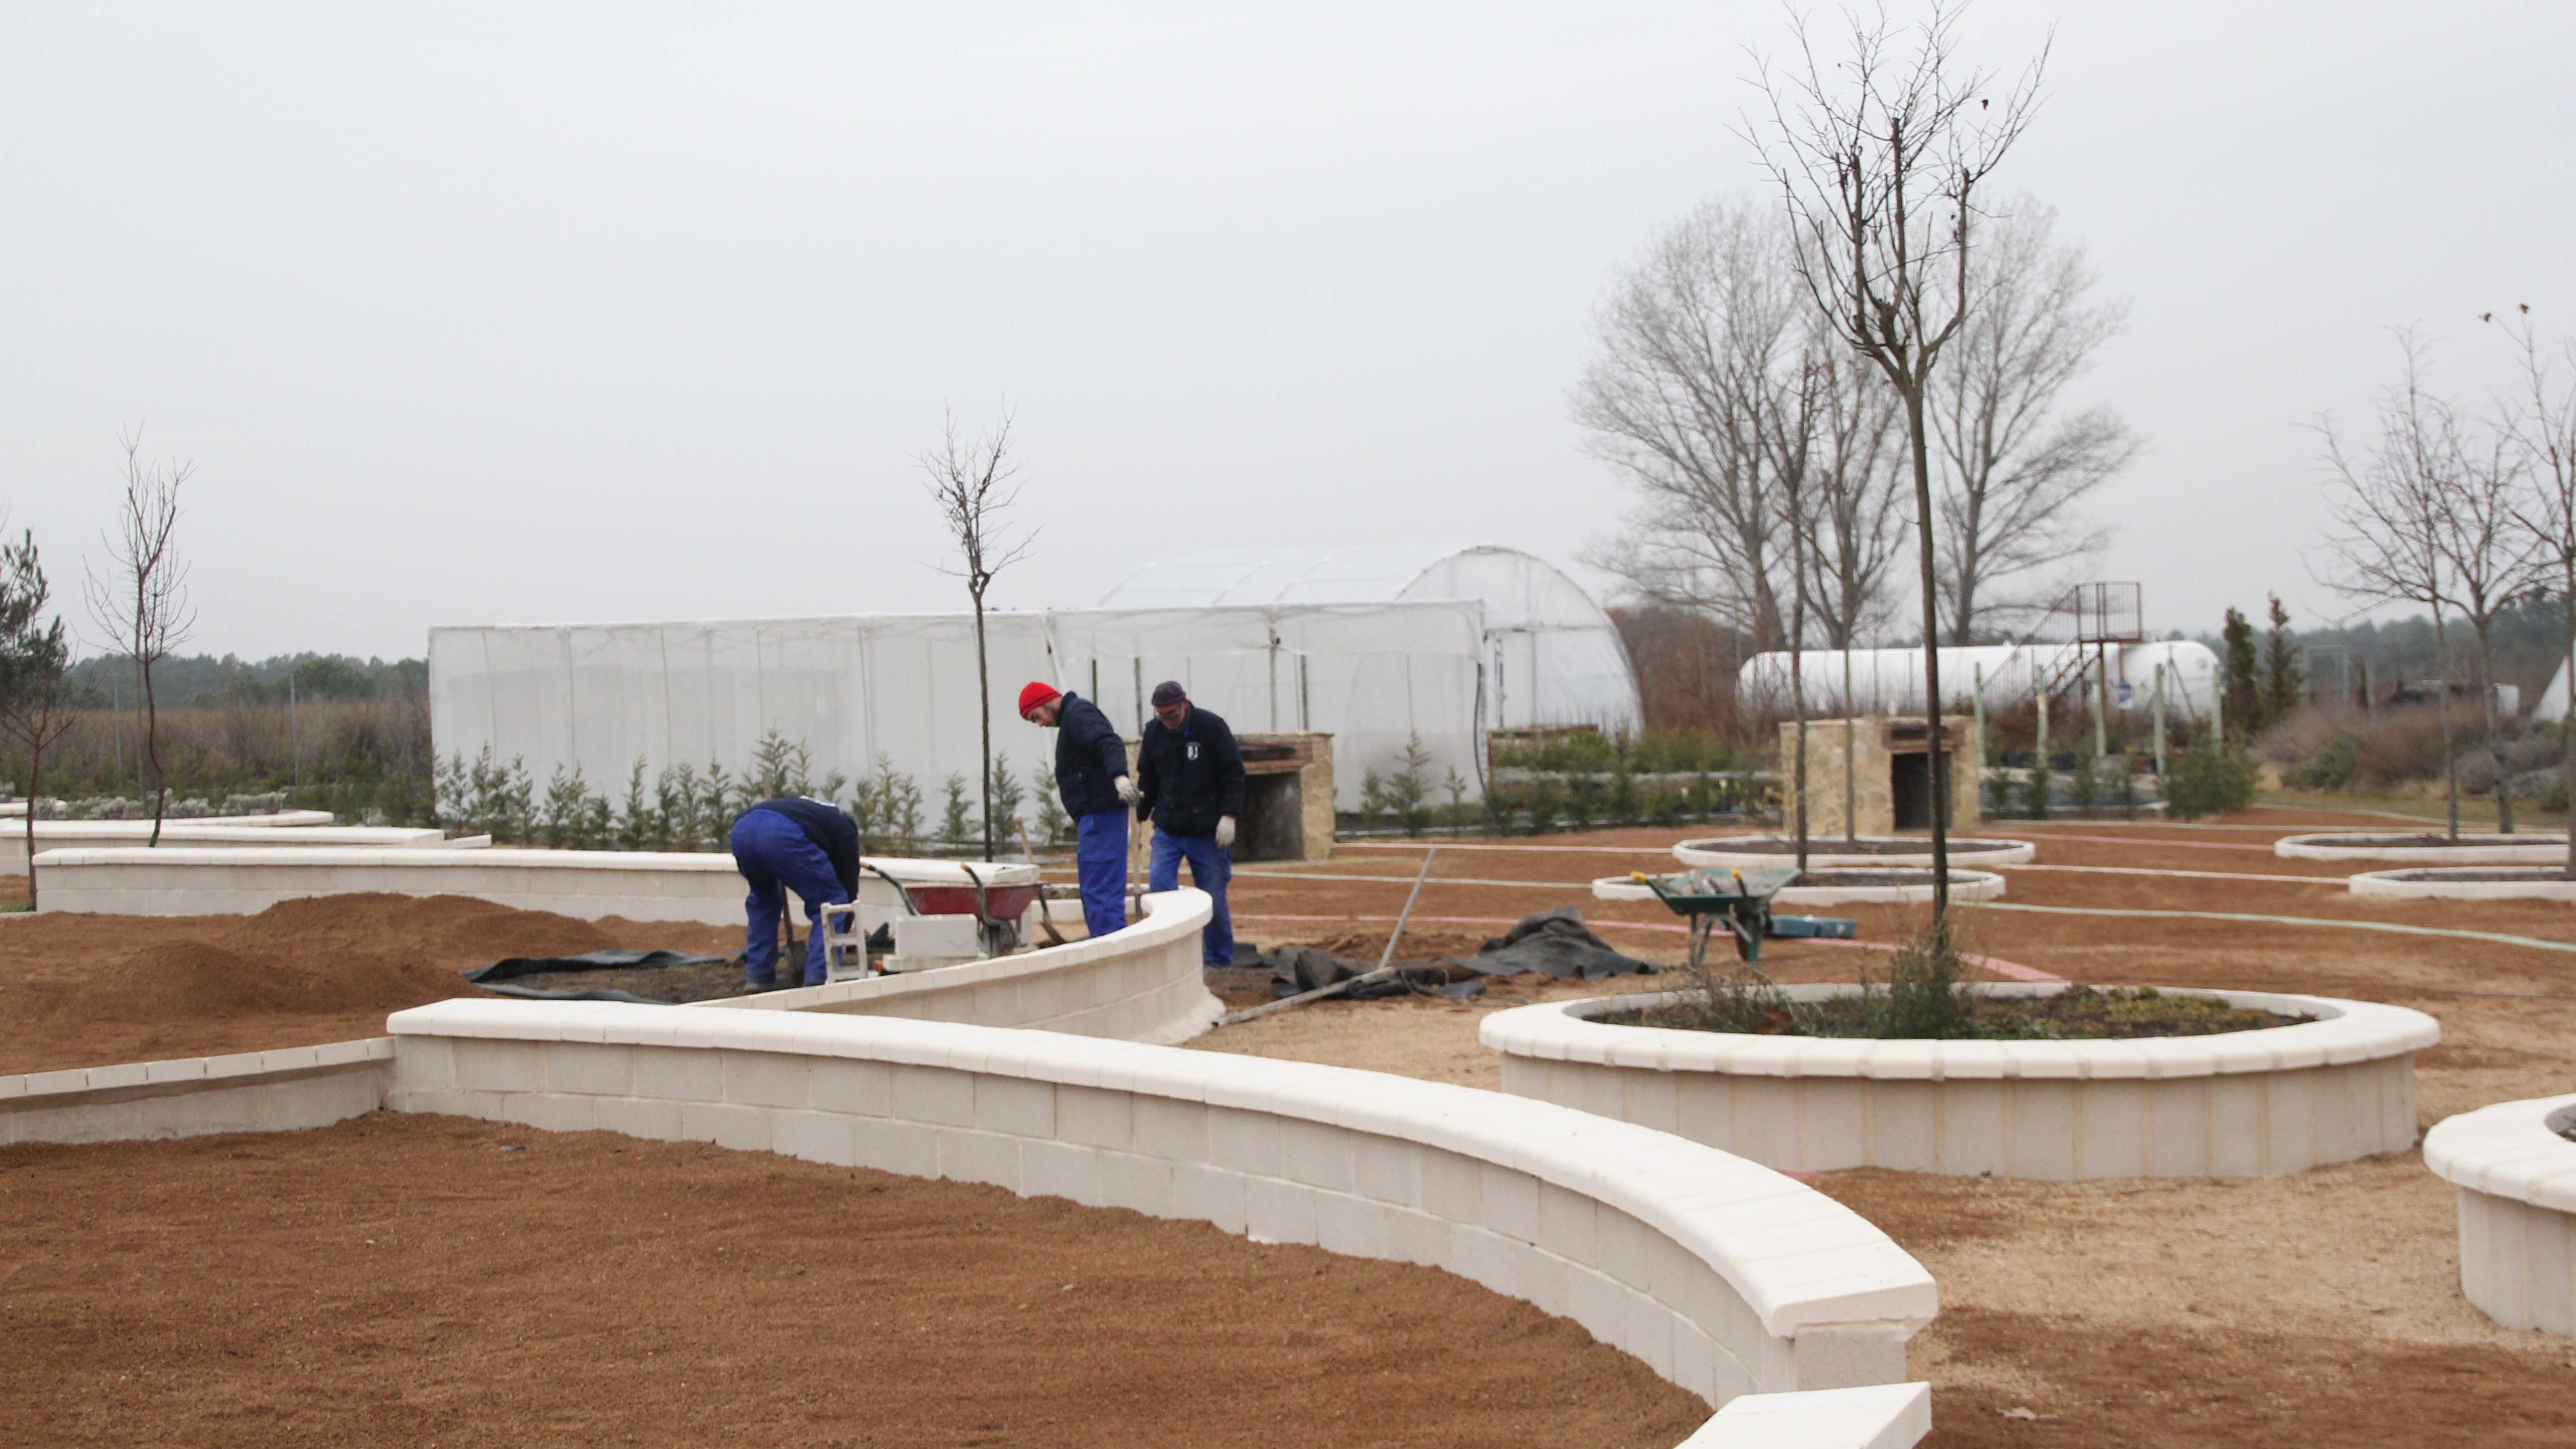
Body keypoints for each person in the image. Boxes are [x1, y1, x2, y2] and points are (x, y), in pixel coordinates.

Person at [1020, 680, 1139, 942]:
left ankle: (1110, 946)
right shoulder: (1073, 719)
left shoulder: (1078, 714)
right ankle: (1105, 940)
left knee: (1101, 889)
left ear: (1046, 702)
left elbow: (1108, 742)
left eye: (1035, 716)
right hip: (1094, 817)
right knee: (1096, 887)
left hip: (1101, 816)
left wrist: (1119, 777)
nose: (1039, 723)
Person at [1135, 680, 1244, 966]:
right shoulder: (1154, 733)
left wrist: (1229, 816)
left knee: (1213, 899)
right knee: (1159, 890)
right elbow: (1148, 778)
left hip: (1207, 831)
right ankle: (1167, 957)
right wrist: (1138, 817)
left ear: (1185, 704)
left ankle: (1219, 959)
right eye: (1162, 715)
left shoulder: (1212, 727)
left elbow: (1234, 774)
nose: (1167, 721)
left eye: (1172, 714)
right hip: (1168, 829)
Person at [727, 795, 860, 990]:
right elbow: (848, 881)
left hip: (743, 830)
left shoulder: (812, 811)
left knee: (764, 900)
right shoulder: (845, 829)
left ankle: (759, 978)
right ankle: (819, 980)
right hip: (781, 833)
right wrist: (843, 929)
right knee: (831, 901)